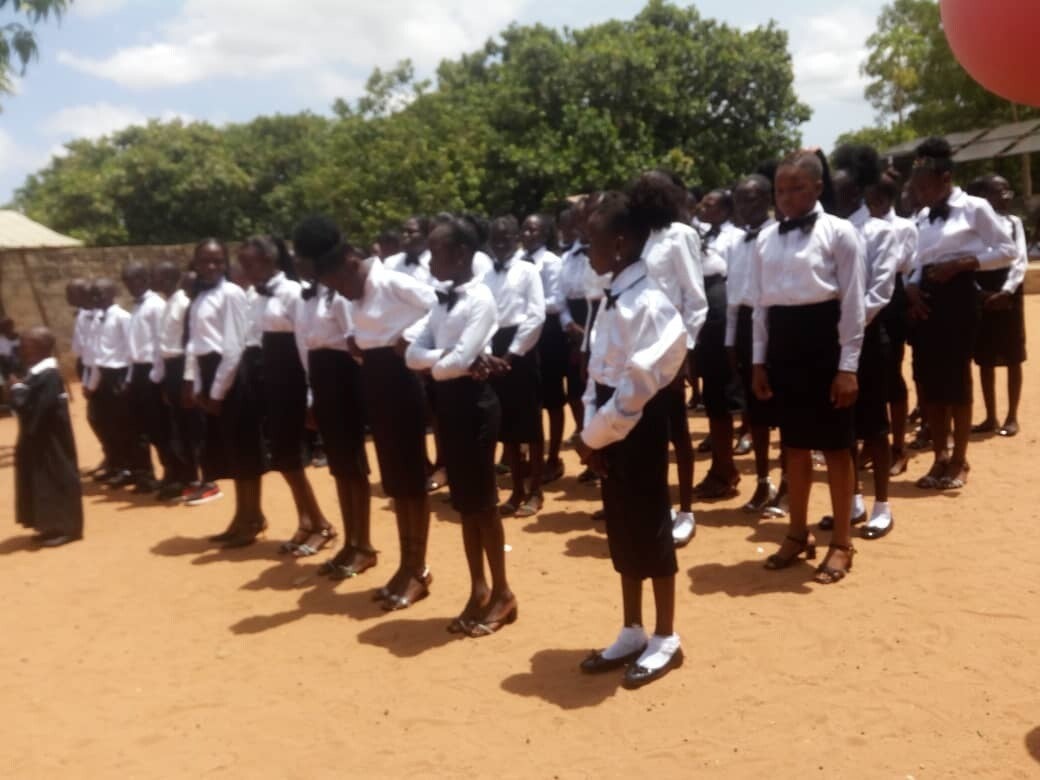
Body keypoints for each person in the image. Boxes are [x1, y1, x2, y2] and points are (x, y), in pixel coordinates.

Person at [576, 191, 688, 688]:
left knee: (650, 523)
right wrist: (592, 435)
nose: (587, 249)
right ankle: (632, 628)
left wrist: (593, 437)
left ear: (619, 243)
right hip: (608, 426)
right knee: (621, 525)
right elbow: (596, 374)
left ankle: (665, 635)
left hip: (636, 425)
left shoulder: (649, 304)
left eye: (592, 240)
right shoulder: (614, 297)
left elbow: (636, 387)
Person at [750, 151, 866, 584]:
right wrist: (759, 360)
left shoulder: (841, 233)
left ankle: (842, 542)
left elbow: (853, 303)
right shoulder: (765, 239)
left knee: (836, 447)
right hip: (784, 345)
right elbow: (761, 306)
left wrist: (848, 366)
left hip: (825, 342)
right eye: (780, 190)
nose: (787, 197)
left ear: (818, 188)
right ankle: (797, 533)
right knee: (795, 446)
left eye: (797, 188)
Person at [407, 216, 519, 637]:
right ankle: (478, 588)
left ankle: (503, 591)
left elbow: (450, 361)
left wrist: (446, 361)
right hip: (449, 406)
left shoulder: (480, 299)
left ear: (459, 254)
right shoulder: (441, 300)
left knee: (483, 504)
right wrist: (450, 360)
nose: (429, 259)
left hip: (475, 406)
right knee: (464, 504)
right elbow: (412, 354)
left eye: (436, 251)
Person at [317, 234, 438, 611]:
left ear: (351, 264)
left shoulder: (392, 281)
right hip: (374, 376)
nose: (341, 293)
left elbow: (439, 304)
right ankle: (405, 564)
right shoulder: (354, 294)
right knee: (395, 480)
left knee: (411, 478)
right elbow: (364, 330)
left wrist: (411, 336)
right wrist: (356, 341)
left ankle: (418, 568)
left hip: (402, 376)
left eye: (340, 283)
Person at [906, 138, 1017, 491]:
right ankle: (939, 456)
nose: (920, 194)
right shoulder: (922, 217)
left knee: (955, 380)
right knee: (930, 382)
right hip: (925, 299)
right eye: (916, 188)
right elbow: (916, 261)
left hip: (959, 296)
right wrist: (911, 287)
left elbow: (1007, 250)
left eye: (925, 187)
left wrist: (963, 263)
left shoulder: (975, 208)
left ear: (946, 179)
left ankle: (959, 460)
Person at [238, 236, 337, 557]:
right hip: (267, 381)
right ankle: (306, 520)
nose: (245, 270)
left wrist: (310, 393)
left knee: (291, 455)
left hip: (290, 381)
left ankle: (321, 523)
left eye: (250, 263)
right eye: (242, 264)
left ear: (270, 261)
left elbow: (304, 346)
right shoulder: (255, 295)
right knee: (282, 457)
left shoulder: (292, 293)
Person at [627, 170, 708, 546]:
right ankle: (655, 505)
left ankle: (686, 510)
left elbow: (695, 300)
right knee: (644, 431)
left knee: (678, 432)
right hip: (636, 348)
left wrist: (684, 353)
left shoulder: (680, 235)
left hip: (669, 348)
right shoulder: (635, 235)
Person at [292, 218, 375, 581]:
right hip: (322, 379)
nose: (297, 264)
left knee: (353, 464)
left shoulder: (340, 297)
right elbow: (305, 349)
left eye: (303, 258)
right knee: (339, 466)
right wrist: (312, 394)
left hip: (344, 379)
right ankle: (350, 541)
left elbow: (356, 346)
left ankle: (364, 544)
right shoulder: (306, 297)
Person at [829, 144, 899, 540]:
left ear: (856, 191)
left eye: (838, 189)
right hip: (832, 339)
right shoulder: (829, 231)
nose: (832, 196)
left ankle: (882, 505)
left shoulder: (879, 231)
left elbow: (881, 290)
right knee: (843, 425)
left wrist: (848, 325)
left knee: (874, 424)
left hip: (867, 338)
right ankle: (852, 499)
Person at [187, 239, 266, 547]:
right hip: (210, 372)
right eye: (205, 260)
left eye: (218, 261)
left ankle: (253, 517)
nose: (211, 266)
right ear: (195, 263)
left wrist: (218, 392)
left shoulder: (231, 293)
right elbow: (195, 344)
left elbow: (234, 347)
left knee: (244, 450)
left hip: (231, 376)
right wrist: (198, 385)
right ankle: (242, 515)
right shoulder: (198, 297)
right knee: (230, 451)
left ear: (225, 263)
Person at [725, 174, 784, 515]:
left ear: (767, 200)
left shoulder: (780, 235)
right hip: (747, 325)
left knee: (785, 408)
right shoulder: (735, 242)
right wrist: (730, 341)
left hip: (778, 323)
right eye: (740, 200)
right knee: (755, 409)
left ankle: (789, 481)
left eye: (751, 199)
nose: (745, 206)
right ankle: (763, 481)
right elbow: (733, 296)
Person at [483, 216, 547, 518]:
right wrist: (488, 354)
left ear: (516, 239)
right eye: (495, 238)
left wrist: (511, 354)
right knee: (506, 424)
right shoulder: (485, 275)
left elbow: (536, 315)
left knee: (530, 423)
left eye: (505, 237)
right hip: (493, 349)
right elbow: (482, 316)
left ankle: (536, 490)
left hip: (521, 349)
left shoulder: (528, 270)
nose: (500, 243)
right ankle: (517, 488)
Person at [9, 326, 83, 547]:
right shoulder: (36, 374)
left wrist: (17, 390)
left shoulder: (49, 375)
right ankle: (50, 525)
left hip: (51, 440)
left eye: (27, 347)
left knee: (57, 478)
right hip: (39, 438)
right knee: (43, 481)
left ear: (41, 348)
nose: (22, 351)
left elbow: (36, 409)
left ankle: (67, 528)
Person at [866, 170, 918, 476]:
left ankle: (898, 446)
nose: (871, 204)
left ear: (888, 199)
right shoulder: (858, 226)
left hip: (892, 298)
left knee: (892, 374)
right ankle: (871, 443)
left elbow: (903, 263)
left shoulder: (904, 227)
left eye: (876, 199)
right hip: (864, 295)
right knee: (866, 374)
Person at [967, 174, 1027, 438]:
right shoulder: (973, 227)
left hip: (1008, 293)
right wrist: (979, 293)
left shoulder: (1014, 223)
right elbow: (968, 260)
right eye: (999, 191)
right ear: (984, 197)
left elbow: (1019, 259)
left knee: (1014, 356)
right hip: (982, 293)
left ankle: (1012, 416)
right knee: (985, 358)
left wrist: (1006, 291)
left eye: (1007, 190)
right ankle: (990, 416)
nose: (1005, 196)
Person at [694, 188, 744, 469]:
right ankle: (719, 441)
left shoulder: (734, 237)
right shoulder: (700, 234)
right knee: (712, 385)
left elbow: (734, 278)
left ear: (725, 210)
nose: (703, 207)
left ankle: (739, 437)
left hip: (724, 308)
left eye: (710, 204)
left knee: (728, 382)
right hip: (705, 310)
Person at [521, 213, 568, 484]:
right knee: (530, 399)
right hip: (525, 332)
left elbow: (556, 301)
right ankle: (531, 457)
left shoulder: (550, 261)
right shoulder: (518, 261)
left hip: (548, 333)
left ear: (545, 233)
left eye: (534, 230)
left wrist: (531, 306)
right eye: (525, 229)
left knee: (552, 399)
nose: (528, 234)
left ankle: (553, 457)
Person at [150, 262, 202, 501]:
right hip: (170, 368)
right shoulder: (167, 304)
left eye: (157, 276)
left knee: (190, 426)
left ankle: (199, 478)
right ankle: (185, 476)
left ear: (170, 277)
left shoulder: (182, 304)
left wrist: (188, 380)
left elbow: (190, 343)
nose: (153, 280)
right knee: (177, 426)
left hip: (182, 367)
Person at [122, 261, 172, 494]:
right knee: (138, 427)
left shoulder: (156, 306)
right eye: (126, 281)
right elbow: (133, 347)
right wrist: (130, 378)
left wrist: (156, 377)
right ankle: (145, 476)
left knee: (159, 427)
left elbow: (161, 343)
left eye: (133, 279)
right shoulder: (136, 307)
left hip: (153, 371)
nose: (129, 285)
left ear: (144, 279)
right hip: (138, 371)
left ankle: (171, 473)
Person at [83, 278, 135, 488]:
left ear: (113, 293)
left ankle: (131, 468)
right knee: (106, 424)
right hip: (103, 376)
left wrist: (129, 380)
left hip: (119, 375)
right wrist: (92, 384)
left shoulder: (123, 317)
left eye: (100, 293)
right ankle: (116, 464)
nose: (96, 298)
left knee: (124, 425)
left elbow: (131, 351)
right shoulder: (97, 319)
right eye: (93, 294)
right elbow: (97, 355)